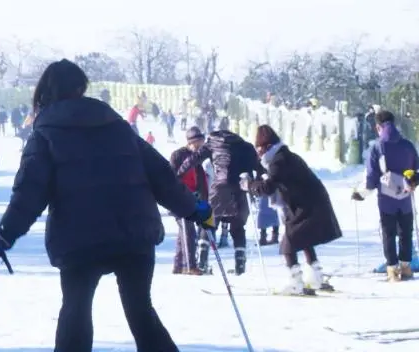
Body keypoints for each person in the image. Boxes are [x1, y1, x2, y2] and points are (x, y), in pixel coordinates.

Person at [0, 59, 213, 352]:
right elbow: (161, 176)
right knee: (141, 312)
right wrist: (194, 210)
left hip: (80, 240)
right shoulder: (118, 127)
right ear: (81, 89)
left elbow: (29, 194)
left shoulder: (45, 135)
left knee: (75, 313)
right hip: (134, 234)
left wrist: (5, 235)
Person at [245, 125, 343, 294]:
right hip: (310, 202)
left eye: (259, 148)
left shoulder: (278, 161)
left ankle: (295, 281)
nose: (258, 152)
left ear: (267, 146)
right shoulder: (285, 157)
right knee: (303, 238)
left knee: (289, 242)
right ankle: (316, 276)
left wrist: (249, 185)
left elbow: (268, 187)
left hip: (307, 204)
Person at [174, 127, 262, 275]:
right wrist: (257, 185)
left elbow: (193, 160)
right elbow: (259, 167)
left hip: (219, 190)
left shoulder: (212, 143)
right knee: (238, 226)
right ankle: (240, 264)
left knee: (208, 224)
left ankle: (202, 261)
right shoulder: (246, 146)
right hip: (241, 189)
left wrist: (177, 174)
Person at [352, 110, 419, 282]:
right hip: (405, 196)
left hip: (386, 198)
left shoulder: (377, 147)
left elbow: (372, 176)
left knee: (389, 233)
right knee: (406, 232)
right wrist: (411, 182)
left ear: (378, 126)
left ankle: (392, 268)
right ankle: (406, 266)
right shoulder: (407, 145)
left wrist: (361, 193)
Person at [169, 127, 209, 275]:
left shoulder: (197, 158)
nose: (200, 146)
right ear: (191, 142)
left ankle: (178, 265)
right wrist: (184, 192)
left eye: (202, 143)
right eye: (198, 143)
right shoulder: (178, 155)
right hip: (180, 199)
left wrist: (204, 198)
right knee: (189, 231)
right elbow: (173, 177)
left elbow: (201, 181)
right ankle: (190, 265)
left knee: (184, 232)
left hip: (193, 199)